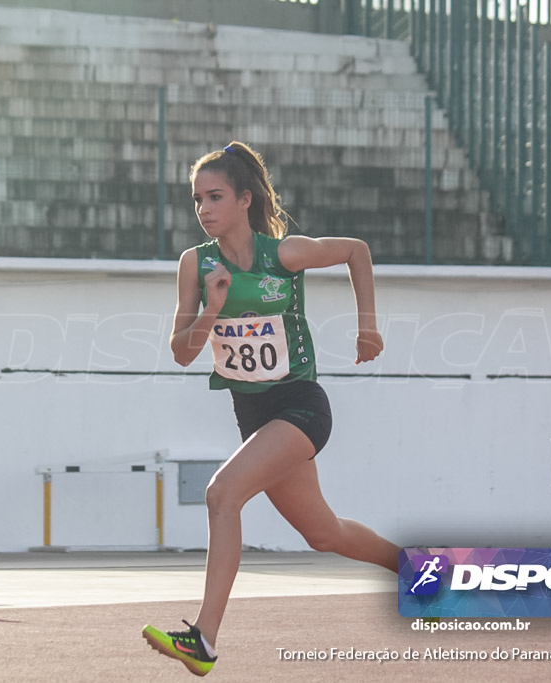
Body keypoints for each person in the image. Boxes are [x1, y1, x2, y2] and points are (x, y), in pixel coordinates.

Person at [142, 141, 400, 676]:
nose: (203, 209)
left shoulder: (283, 255)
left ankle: (203, 641)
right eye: (196, 200)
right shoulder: (195, 264)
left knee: (221, 494)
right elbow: (183, 353)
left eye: (214, 197)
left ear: (244, 199)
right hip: (254, 417)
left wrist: (368, 325)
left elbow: (356, 250)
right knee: (324, 533)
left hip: (301, 405)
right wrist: (213, 306)